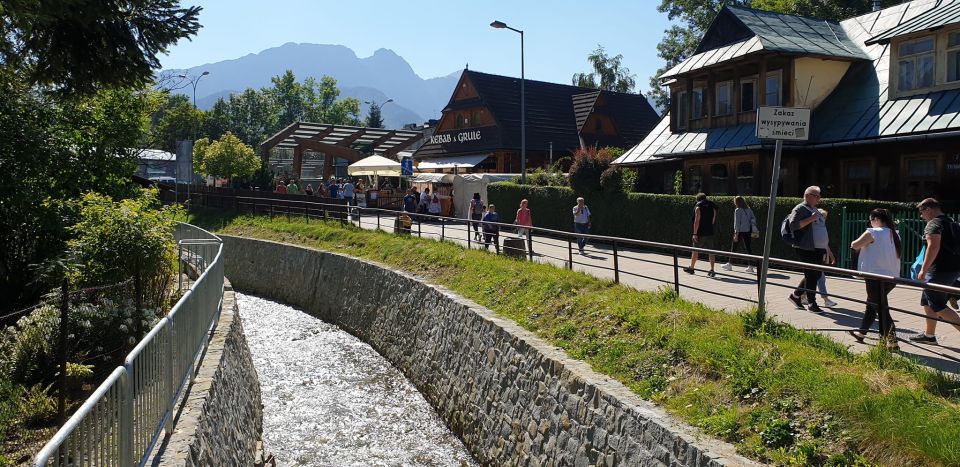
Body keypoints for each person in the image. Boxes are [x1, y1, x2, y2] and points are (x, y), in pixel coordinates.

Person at [849, 208, 902, 350]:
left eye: (871, 220)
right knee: (872, 304)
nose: (870, 223)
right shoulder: (894, 234)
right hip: (891, 277)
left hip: (875, 277)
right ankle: (861, 333)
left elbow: (854, 245)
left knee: (882, 309)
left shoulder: (874, 232)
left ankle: (893, 341)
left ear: (877, 220)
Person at [910, 198, 960, 344]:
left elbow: (933, 247)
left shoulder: (934, 224)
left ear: (928, 209)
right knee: (927, 301)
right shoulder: (952, 223)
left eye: (921, 212)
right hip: (952, 270)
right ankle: (929, 336)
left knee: (938, 304)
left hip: (938, 271)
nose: (921, 216)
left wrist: (923, 270)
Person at [786, 186, 836, 314]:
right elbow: (793, 225)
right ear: (807, 196)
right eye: (816, 196)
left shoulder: (815, 210)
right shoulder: (800, 208)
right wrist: (811, 219)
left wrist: (828, 250)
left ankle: (796, 296)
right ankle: (812, 304)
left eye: (819, 196)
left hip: (818, 249)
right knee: (811, 275)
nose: (819, 198)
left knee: (815, 274)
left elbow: (820, 231)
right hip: (806, 248)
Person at [805, 209, 838, 308]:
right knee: (820, 277)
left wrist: (831, 256)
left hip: (819, 254)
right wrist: (831, 256)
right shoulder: (815, 227)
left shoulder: (819, 227)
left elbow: (825, 244)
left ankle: (800, 294)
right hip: (816, 254)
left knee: (811, 277)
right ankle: (826, 299)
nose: (823, 219)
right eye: (823, 217)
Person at [684, 193, 718, 277]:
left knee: (695, 250)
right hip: (710, 232)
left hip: (700, 233)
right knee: (711, 251)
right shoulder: (713, 207)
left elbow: (697, 221)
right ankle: (712, 269)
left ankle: (691, 268)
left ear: (698, 199)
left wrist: (695, 233)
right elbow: (713, 221)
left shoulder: (698, 207)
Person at [722, 196, 757, 273]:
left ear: (737, 202)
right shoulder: (749, 209)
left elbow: (737, 223)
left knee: (734, 247)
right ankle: (751, 266)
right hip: (748, 231)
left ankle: (729, 264)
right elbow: (754, 219)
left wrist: (736, 234)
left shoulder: (738, 210)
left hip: (740, 231)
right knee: (748, 248)